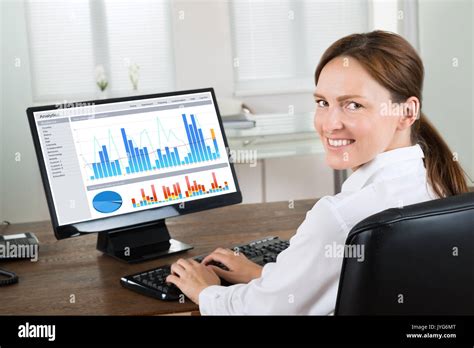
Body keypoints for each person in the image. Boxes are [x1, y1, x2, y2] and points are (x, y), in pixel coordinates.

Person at [165, 30, 468, 315]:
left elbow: (258, 311)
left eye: (353, 105)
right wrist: (266, 275)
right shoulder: (438, 184)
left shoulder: (339, 218)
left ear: (406, 113)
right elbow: (363, 285)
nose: (329, 123)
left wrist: (206, 292)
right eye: (323, 102)